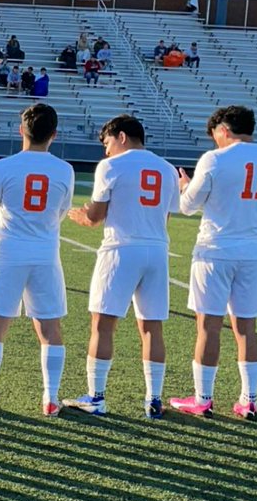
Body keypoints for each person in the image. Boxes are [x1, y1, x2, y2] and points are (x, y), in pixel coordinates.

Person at [169, 106, 257, 420]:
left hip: (215, 250)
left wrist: (184, 185)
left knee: (208, 326)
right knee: (247, 328)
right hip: (252, 252)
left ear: (222, 130)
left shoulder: (215, 159)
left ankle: (203, 398)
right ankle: (249, 400)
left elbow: (187, 206)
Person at [0, 104, 74, 415]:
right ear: (54, 134)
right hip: (45, 253)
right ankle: (51, 398)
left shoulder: (2, 167)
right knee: (49, 326)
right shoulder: (65, 169)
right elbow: (61, 211)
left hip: (8, 252)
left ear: (21, 130)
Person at [65, 115, 178, 418]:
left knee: (102, 324)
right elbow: (166, 216)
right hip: (157, 250)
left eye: (107, 142)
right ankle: (154, 399)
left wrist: (81, 216)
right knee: (152, 326)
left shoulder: (111, 166)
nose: (106, 150)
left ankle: (96, 396)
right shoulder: (167, 169)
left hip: (121, 249)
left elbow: (95, 216)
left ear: (122, 136)